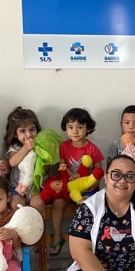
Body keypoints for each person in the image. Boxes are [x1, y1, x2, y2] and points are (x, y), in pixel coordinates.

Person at [49, 108, 105, 256]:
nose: (75, 131)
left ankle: (88, 242)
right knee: (58, 203)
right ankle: (57, 236)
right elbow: (62, 166)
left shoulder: (92, 148)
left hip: (88, 189)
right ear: (65, 129)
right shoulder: (63, 147)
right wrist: (70, 174)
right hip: (69, 186)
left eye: (80, 127)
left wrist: (94, 182)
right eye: (71, 127)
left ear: (88, 129)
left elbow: (99, 170)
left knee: (87, 205)